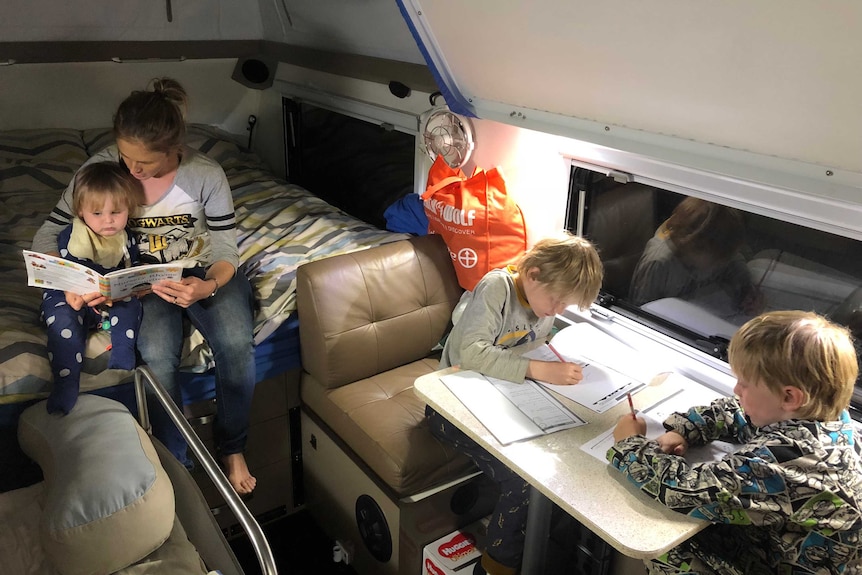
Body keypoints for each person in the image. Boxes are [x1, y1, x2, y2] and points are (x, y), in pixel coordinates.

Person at [31, 78, 257, 495]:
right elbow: (50, 232)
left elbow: (227, 246)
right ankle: (177, 454)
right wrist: (73, 281)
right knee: (155, 354)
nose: (131, 170)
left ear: (175, 148)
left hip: (203, 271)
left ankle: (232, 446)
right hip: (140, 280)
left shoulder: (205, 174)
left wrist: (208, 286)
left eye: (144, 164)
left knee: (237, 345)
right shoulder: (99, 169)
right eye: (125, 157)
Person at [609, 310, 862, 575]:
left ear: (789, 397)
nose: (736, 390)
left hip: (783, 564)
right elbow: (737, 413)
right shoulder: (824, 418)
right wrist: (686, 429)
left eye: (745, 383)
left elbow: (685, 490)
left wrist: (630, 444)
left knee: (667, 548)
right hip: (782, 545)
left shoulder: (789, 459)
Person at [427, 233, 604, 575]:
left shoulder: (543, 302)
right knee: (523, 482)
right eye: (555, 301)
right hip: (450, 405)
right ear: (533, 274)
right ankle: (495, 568)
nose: (556, 311)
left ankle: (540, 554)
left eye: (564, 306)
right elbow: (471, 353)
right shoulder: (498, 288)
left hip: (504, 399)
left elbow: (531, 345)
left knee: (564, 467)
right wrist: (541, 370)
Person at [41, 162, 145, 415]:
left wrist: (127, 288)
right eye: (97, 214)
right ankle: (66, 381)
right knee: (61, 320)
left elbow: (134, 268)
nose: (108, 221)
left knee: (132, 306)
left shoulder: (127, 237)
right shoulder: (70, 236)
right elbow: (65, 273)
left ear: (128, 209)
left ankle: (122, 356)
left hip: (109, 300)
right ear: (80, 212)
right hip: (72, 298)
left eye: (116, 212)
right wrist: (73, 293)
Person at [628, 197, 762, 314]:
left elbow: (735, 264)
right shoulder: (659, 263)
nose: (721, 262)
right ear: (697, 247)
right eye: (717, 259)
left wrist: (749, 293)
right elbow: (639, 311)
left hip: (705, 311)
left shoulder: (717, 251)